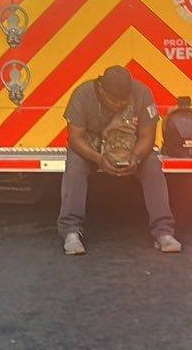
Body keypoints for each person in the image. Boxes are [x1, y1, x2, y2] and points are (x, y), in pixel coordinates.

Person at [60, 65, 181, 256]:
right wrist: (99, 159)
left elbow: (147, 136)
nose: (118, 104)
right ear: (100, 88)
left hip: (130, 148)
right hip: (93, 149)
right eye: (113, 100)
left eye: (123, 101)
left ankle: (164, 232)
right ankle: (71, 232)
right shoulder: (83, 94)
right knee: (75, 164)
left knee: (152, 166)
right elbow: (75, 138)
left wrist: (136, 157)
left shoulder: (142, 93)